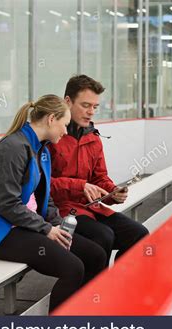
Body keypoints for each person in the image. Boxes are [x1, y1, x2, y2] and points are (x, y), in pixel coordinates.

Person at [0, 95, 107, 312]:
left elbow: (45, 198)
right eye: (64, 125)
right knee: (73, 268)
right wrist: (47, 230)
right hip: (6, 235)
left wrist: (57, 225)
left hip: (30, 227)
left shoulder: (41, 149)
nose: (65, 132)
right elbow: (7, 205)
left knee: (96, 255)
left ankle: (85, 313)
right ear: (51, 119)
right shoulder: (12, 148)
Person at [49, 75, 149, 266]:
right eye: (86, 105)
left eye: (95, 107)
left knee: (139, 235)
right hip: (62, 211)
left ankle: (117, 284)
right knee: (103, 236)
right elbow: (43, 185)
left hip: (92, 209)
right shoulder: (53, 136)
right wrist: (80, 186)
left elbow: (99, 177)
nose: (91, 112)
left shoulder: (93, 138)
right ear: (67, 102)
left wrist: (112, 193)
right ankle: (94, 292)